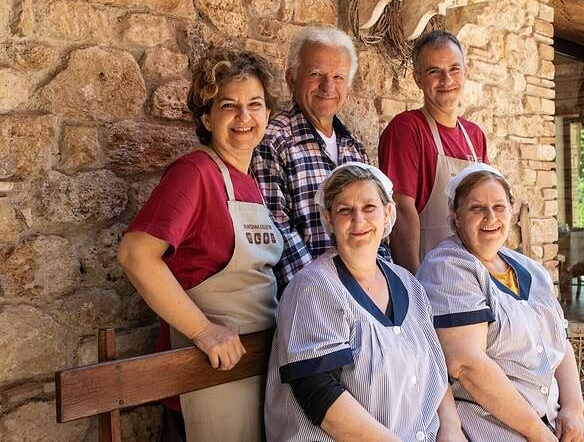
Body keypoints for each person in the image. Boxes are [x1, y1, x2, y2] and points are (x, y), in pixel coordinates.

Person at [117, 48, 283, 442]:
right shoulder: (195, 173)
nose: (245, 117)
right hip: (208, 373)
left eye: (255, 105)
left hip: (254, 365)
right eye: (229, 106)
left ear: (268, 115)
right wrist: (204, 331)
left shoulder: (248, 182)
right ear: (207, 118)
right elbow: (135, 254)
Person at [265, 163, 465, 442]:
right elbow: (319, 393)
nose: (359, 220)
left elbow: (434, 366)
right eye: (345, 211)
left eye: (369, 207)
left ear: (387, 213)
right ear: (329, 219)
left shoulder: (407, 283)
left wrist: (452, 429)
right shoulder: (314, 288)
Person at [417, 164, 584, 442]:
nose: (490, 217)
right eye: (477, 208)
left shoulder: (530, 269)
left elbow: (560, 343)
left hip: (553, 418)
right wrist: (538, 434)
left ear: (511, 212)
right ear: (456, 216)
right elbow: (467, 366)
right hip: (496, 424)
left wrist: (574, 408)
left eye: (499, 207)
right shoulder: (448, 267)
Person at [252, 26, 387, 289]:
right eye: (316, 74)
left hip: (365, 295)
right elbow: (276, 230)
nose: (328, 86)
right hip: (310, 299)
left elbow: (376, 228)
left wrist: (382, 286)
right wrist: (325, 292)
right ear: (291, 79)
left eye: (338, 76)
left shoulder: (353, 148)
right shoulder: (274, 140)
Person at [379, 29, 488, 273]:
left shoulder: (475, 136)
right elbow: (401, 211)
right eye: (434, 71)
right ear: (418, 78)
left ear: (465, 72)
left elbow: (487, 207)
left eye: (454, 69)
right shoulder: (407, 129)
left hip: (473, 277)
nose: (446, 80)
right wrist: (417, 287)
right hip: (431, 278)